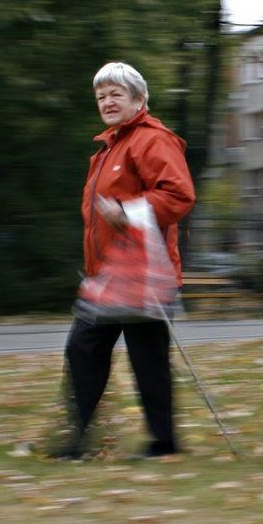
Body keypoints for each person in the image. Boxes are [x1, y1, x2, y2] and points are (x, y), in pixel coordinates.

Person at [52, 62, 196, 459]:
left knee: (147, 361)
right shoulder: (108, 148)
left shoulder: (152, 140)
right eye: (101, 96)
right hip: (106, 276)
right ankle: (76, 441)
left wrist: (128, 211)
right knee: (83, 352)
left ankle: (163, 443)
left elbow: (179, 195)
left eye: (116, 94)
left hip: (144, 274)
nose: (107, 101)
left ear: (139, 99)